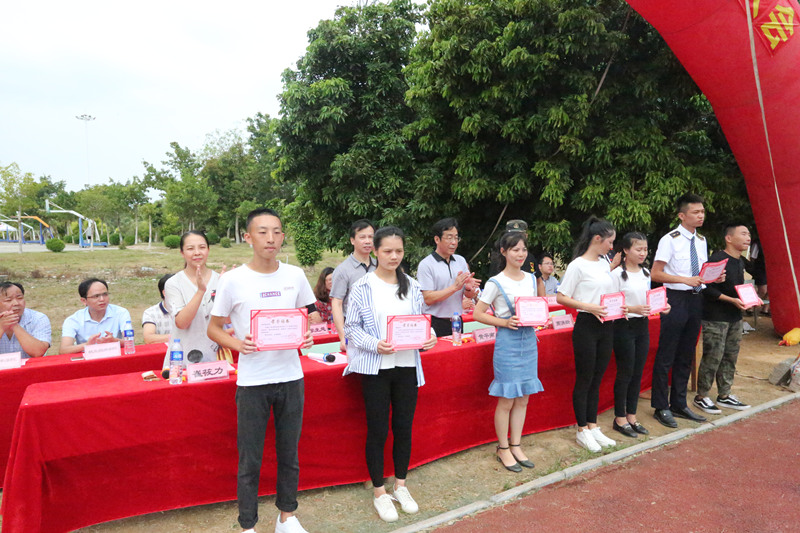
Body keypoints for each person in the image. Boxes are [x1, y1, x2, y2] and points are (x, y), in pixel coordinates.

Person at [207, 208, 315, 533]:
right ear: (248, 237)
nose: (271, 239)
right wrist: (239, 345)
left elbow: (304, 318)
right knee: (250, 459)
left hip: (291, 377)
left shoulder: (295, 275)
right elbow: (214, 328)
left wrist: (306, 335)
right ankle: (248, 526)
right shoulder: (232, 280)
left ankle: (287, 517)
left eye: (277, 232)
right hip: (253, 381)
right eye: (263, 232)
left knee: (289, 454)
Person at [343, 226, 437, 523]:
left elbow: (421, 321)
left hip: (407, 365)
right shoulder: (363, 287)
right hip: (376, 368)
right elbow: (351, 328)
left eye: (399, 251)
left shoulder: (412, 285)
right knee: (378, 429)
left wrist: (430, 335)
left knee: (404, 427)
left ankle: (401, 485)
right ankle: (380, 491)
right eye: (387, 251)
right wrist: (375, 344)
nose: (394, 256)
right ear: (376, 251)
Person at [473, 231, 544, 473]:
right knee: (507, 399)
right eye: (515, 250)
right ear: (504, 252)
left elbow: (537, 306)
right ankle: (503, 448)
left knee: (523, 398)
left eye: (523, 249)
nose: (520, 254)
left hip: (529, 342)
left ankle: (516, 445)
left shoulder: (531, 279)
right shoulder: (496, 282)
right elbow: (478, 313)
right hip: (507, 342)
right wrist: (504, 322)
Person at [650, 194, 721, 428]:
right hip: (675, 298)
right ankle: (661, 406)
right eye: (695, 212)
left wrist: (713, 277)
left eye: (702, 212)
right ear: (682, 215)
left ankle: (679, 403)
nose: (701, 216)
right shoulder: (669, 239)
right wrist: (684, 279)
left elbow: (700, 273)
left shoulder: (701, 240)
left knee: (686, 353)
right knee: (667, 353)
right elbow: (656, 273)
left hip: (696, 299)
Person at [556, 216, 619, 452]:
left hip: (607, 324)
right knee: (585, 378)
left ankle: (593, 425)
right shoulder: (577, 265)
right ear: (597, 238)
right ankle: (582, 429)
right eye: (609, 242)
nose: (611, 247)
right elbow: (561, 297)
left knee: (598, 377)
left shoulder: (604, 262)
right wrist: (588, 306)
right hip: (586, 324)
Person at [609, 233, 670, 439]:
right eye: (638, 249)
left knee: (638, 372)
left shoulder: (645, 273)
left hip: (642, 325)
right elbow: (611, 304)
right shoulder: (617, 274)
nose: (643, 253)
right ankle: (620, 418)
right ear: (626, 250)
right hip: (623, 326)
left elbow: (649, 300)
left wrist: (662, 306)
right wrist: (633, 308)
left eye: (645, 249)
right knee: (625, 372)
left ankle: (632, 415)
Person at [693, 224, 755, 414]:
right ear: (729, 238)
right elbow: (707, 289)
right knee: (713, 356)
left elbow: (740, 288)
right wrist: (732, 300)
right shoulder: (717, 259)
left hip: (735, 316)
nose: (748, 238)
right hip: (715, 317)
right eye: (743, 234)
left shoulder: (740, 261)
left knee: (730, 356)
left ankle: (725, 394)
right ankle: (701, 396)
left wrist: (748, 299)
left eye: (749, 234)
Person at [162, 231, 221, 369]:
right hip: (181, 360)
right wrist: (200, 291)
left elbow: (228, 321)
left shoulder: (220, 280)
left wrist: (228, 290)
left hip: (215, 360)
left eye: (202, 247)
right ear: (182, 253)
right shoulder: (173, 283)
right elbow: (182, 323)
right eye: (190, 248)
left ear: (208, 250)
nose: (197, 252)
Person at [417, 218, 480, 336]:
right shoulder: (426, 265)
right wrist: (454, 287)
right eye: (449, 237)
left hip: (457, 320)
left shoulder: (460, 261)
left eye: (456, 238)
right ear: (437, 239)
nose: (454, 242)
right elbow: (428, 299)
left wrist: (468, 289)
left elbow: (468, 295)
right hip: (434, 322)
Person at [330, 220, 376, 351]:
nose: (367, 241)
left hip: (377, 329)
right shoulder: (343, 270)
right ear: (352, 240)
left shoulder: (380, 266)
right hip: (354, 330)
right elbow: (337, 303)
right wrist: (343, 337)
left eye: (371, 237)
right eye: (362, 237)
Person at [60, 278, 132, 354]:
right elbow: (63, 350)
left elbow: (130, 342)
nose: (102, 299)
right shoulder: (73, 320)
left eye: (105, 294)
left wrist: (114, 341)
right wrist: (87, 345)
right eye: (96, 296)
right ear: (84, 301)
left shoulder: (121, 313)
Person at [489, 221, 545, 296]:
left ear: (526, 236)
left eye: (520, 235)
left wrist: (542, 301)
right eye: (513, 236)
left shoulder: (530, 258)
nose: (517, 239)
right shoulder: (499, 258)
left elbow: (539, 282)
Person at [0, 281, 50, 358]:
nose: (16, 303)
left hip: (30, 365)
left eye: (19, 298)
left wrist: (14, 325)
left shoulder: (38, 318)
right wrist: (1, 327)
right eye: (8, 300)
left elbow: (38, 352)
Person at [141, 274, 173, 344]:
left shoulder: (189, 310)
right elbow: (149, 338)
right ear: (165, 293)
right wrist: (176, 338)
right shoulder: (151, 313)